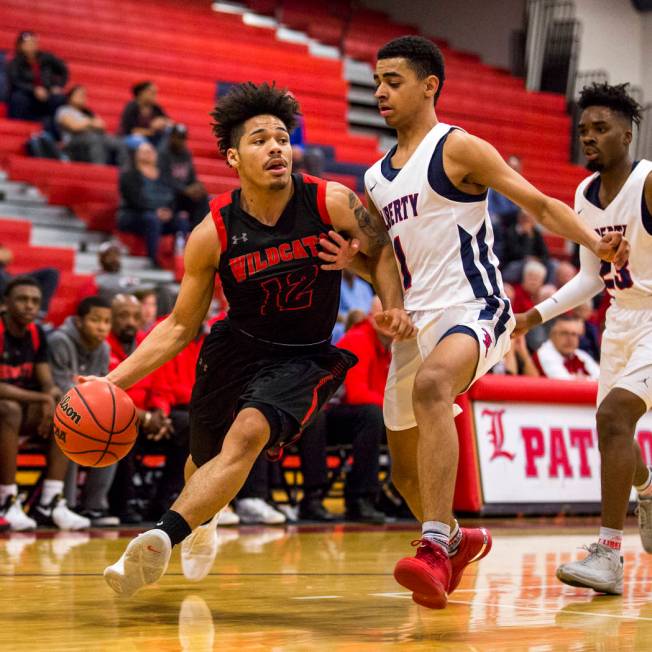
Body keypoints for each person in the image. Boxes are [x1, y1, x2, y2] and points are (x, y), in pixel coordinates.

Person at [91, 82, 413, 596]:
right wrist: (111, 382)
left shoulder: (330, 200)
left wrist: (390, 303)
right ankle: (203, 518)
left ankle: (160, 537)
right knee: (203, 460)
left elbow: (381, 253)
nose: (276, 148)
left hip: (302, 357)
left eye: (282, 138)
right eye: (261, 140)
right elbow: (178, 325)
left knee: (246, 435)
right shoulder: (214, 229)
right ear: (233, 157)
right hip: (235, 349)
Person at [358, 36, 627, 610]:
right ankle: (457, 539)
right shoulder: (375, 177)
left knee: (434, 387)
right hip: (417, 319)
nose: (380, 91)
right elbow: (383, 252)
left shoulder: (458, 148)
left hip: (474, 306)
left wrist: (597, 244)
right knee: (405, 474)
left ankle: (432, 544)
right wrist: (391, 304)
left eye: (393, 80)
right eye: (377, 80)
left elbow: (541, 205)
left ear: (430, 86)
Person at [515, 82, 649, 596]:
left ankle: (609, 556)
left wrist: (629, 253)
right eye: (583, 130)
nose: (588, 137)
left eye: (600, 129)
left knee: (613, 416)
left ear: (627, 133)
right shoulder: (583, 195)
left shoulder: (648, 181)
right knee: (613, 430)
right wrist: (534, 316)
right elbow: (592, 276)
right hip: (619, 323)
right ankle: (647, 487)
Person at [0, 276, 89, 531]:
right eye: (22, 299)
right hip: (7, 410)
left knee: (67, 411)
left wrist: (54, 397)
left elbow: (46, 381)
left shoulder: (37, 334)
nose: (30, 306)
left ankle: (50, 500)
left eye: (35, 301)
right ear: (6, 303)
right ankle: (7, 499)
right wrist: (42, 398)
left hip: (19, 411)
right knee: (9, 408)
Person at [299, 295, 390, 523]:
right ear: (372, 318)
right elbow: (357, 394)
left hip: (353, 416)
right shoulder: (359, 339)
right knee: (371, 414)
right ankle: (354, 497)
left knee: (404, 420)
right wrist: (395, 408)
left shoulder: (391, 346)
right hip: (328, 412)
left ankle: (394, 494)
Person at [48, 296, 119, 526]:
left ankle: (94, 506)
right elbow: (61, 386)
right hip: (56, 407)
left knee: (114, 430)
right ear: (79, 321)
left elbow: (103, 387)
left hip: (87, 408)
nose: (101, 326)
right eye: (95, 320)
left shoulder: (104, 347)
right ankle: (65, 504)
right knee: (73, 428)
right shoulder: (60, 340)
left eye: (107, 321)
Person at [117, 142, 190, 266]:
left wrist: (170, 212)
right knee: (152, 219)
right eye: (144, 152)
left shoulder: (165, 176)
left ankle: (181, 260)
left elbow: (174, 196)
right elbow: (133, 200)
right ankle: (153, 260)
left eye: (151, 151)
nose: (148, 154)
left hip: (162, 214)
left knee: (181, 221)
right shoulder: (128, 175)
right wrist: (156, 211)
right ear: (136, 156)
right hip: (135, 215)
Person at [55, 85, 126, 165]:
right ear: (70, 97)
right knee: (94, 138)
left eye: (84, 95)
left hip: (92, 136)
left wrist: (85, 123)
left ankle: (124, 172)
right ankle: (99, 170)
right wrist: (91, 123)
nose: (82, 97)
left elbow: (101, 126)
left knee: (118, 142)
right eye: (79, 95)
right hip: (72, 141)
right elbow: (75, 127)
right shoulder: (64, 110)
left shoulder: (88, 112)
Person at [6, 31, 67, 122]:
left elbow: (63, 70)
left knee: (59, 98)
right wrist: (34, 89)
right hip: (27, 94)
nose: (31, 45)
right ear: (20, 46)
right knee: (18, 98)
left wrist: (57, 86)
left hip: (46, 93)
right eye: (28, 43)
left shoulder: (47, 58)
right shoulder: (15, 62)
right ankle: (19, 123)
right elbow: (15, 81)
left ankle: (52, 124)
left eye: (33, 42)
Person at [158, 124, 209, 230]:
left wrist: (197, 186)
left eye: (182, 138)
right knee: (173, 197)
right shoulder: (163, 153)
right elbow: (164, 179)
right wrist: (185, 189)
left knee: (203, 198)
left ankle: (196, 231)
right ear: (171, 137)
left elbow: (191, 177)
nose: (180, 141)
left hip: (183, 193)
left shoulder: (186, 153)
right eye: (177, 137)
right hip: (168, 193)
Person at [533, 314, 600, 380]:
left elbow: (602, 379)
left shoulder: (580, 354)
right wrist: (587, 379)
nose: (570, 339)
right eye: (564, 333)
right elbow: (565, 384)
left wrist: (581, 380)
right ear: (552, 335)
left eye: (574, 334)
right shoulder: (545, 353)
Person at [0, 243, 59, 316]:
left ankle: (39, 312)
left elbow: (6, 256)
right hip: (5, 282)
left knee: (51, 273)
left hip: (10, 278)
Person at [119, 81, 172, 148]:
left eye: (155, 93)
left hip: (151, 137)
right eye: (152, 93)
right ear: (141, 93)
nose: (155, 96)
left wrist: (163, 122)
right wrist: (151, 130)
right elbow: (130, 130)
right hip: (132, 138)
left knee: (169, 130)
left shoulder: (156, 108)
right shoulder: (132, 107)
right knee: (140, 141)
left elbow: (170, 122)